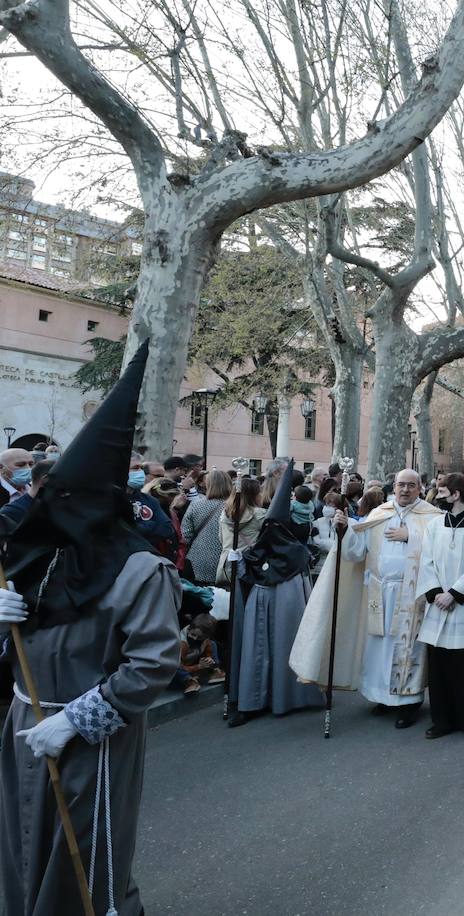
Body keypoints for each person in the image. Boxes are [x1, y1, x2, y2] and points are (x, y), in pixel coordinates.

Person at [0, 340, 181, 916]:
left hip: (89, 740)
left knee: (80, 858)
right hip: (22, 722)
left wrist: (76, 721)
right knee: (16, 851)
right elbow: (24, 644)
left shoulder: (141, 570)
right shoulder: (41, 560)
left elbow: (154, 662)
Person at [291, 469, 442, 729]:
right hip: (379, 591)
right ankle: (382, 696)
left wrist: (412, 537)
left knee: (406, 647)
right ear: (393, 487)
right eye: (400, 485)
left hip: (412, 594)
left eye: (411, 485)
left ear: (419, 488)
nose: (405, 490)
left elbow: (441, 550)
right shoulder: (378, 513)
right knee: (379, 646)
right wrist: (345, 528)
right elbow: (356, 551)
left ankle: (408, 703)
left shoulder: (431, 517)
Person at [227, 459, 323, 728]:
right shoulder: (257, 520)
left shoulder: (296, 534)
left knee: (284, 639)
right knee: (257, 642)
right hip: (261, 588)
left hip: (285, 588)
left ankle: (284, 696)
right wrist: (239, 559)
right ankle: (252, 698)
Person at [416, 473, 464, 740]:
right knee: (439, 666)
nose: (437, 495)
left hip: (463, 606)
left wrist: (454, 594)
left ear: (456, 494)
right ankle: (441, 720)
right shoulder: (435, 526)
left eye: (441, 491)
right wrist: (437, 592)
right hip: (438, 605)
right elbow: (425, 561)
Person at [217, 477, 265, 585]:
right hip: (248, 565)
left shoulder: (225, 513)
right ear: (254, 495)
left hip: (226, 564)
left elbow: (221, 539)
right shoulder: (260, 515)